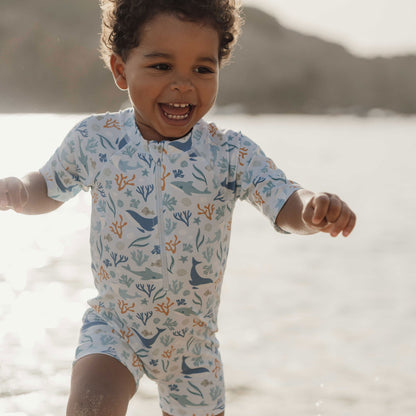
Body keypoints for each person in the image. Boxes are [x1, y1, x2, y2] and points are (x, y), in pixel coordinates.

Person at [0, 1, 356, 415]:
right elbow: (49, 185)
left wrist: (313, 208)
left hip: (193, 344)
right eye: (161, 67)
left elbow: (281, 199)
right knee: (90, 406)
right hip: (116, 326)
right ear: (120, 70)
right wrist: (20, 191)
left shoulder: (229, 152)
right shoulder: (97, 140)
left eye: (203, 70)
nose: (184, 85)